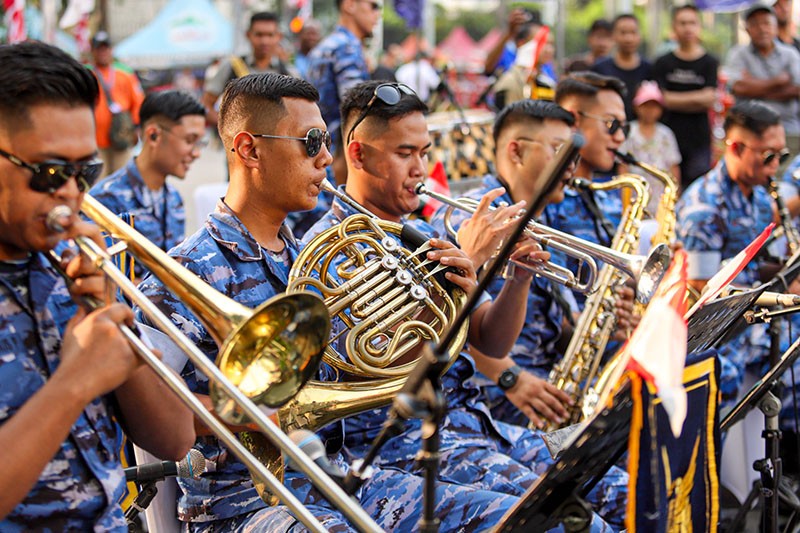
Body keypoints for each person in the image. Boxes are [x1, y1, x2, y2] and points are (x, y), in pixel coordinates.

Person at [137, 72, 524, 532]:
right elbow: (151, 422)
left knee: (520, 518)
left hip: (342, 479)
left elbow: (370, 367)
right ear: (249, 149)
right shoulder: (181, 276)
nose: (326, 157)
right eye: (312, 141)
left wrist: (448, 301)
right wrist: (251, 414)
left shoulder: (316, 258)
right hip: (244, 507)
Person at [304, 80, 628, 531]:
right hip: (406, 448)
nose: (421, 168)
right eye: (405, 154)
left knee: (630, 491)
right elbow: (389, 361)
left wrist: (518, 276)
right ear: (358, 155)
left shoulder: (426, 229)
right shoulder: (331, 250)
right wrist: (469, 256)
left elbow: (490, 341)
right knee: (576, 524)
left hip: (477, 428)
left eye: (425, 151)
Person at [0, 40, 194, 530]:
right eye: (48, 173)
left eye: (84, 171)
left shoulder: (65, 267)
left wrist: (110, 319)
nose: (70, 193)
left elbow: (173, 440)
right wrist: (76, 382)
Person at [676, 100, 797, 416]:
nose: (774, 167)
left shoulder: (757, 194)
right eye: (768, 156)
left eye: (781, 157)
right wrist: (781, 294)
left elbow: (754, 264)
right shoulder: (704, 208)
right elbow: (701, 293)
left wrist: (787, 271)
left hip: (751, 312)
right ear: (736, 147)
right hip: (719, 328)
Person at [89, 90, 206, 280]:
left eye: (200, 143)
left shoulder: (173, 198)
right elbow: (104, 283)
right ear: (153, 135)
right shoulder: (104, 202)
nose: (196, 153)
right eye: (189, 140)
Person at [546, 72, 627, 308]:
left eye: (624, 127)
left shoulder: (606, 199)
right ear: (574, 119)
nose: (620, 137)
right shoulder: (547, 201)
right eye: (611, 124)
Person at [652, 4, 718, 187]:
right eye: (682, 23)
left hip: (699, 140)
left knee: (697, 189)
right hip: (667, 138)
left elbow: (710, 99)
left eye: (692, 23)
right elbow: (661, 99)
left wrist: (674, 99)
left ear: (699, 26)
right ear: (674, 27)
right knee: (667, 188)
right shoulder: (663, 62)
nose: (687, 28)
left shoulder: (710, 62)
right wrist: (697, 98)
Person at [723, 2, 800, 156]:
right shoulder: (738, 54)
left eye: (766, 23)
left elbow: (797, 89)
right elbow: (737, 87)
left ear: (775, 26)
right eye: (755, 24)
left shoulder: (790, 53)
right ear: (747, 29)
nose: (762, 29)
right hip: (749, 132)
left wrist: (753, 87)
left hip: (788, 127)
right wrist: (778, 82)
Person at [203, 11, 299, 128]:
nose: (264, 41)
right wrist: (229, 128)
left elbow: (299, 111)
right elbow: (205, 105)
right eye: (259, 35)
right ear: (248, 35)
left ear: (278, 37)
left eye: (270, 35)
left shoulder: (289, 73)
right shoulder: (231, 66)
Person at [618, 81, 682, 217]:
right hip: (635, 195)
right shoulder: (629, 132)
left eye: (654, 106)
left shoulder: (665, 134)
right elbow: (623, 166)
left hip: (660, 196)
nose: (649, 110)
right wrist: (624, 197)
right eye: (645, 105)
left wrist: (674, 195)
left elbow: (673, 165)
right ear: (636, 107)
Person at [88, 30, 145, 177]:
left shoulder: (124, 74)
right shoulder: (87, 74)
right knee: (98, 184)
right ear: (93, 51)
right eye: (99, 48)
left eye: (105, 48)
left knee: (121, 180)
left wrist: (137, 128)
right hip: (94, 141)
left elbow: (138, 103)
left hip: (121, 138)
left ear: (111, 50)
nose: (103, 52)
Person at [591, 14, 653, 121]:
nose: (628, 38)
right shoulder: (600, 69)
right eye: (623, 32)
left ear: (640, 36)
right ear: (613, 36)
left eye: (633, 32)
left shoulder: (649, 69)